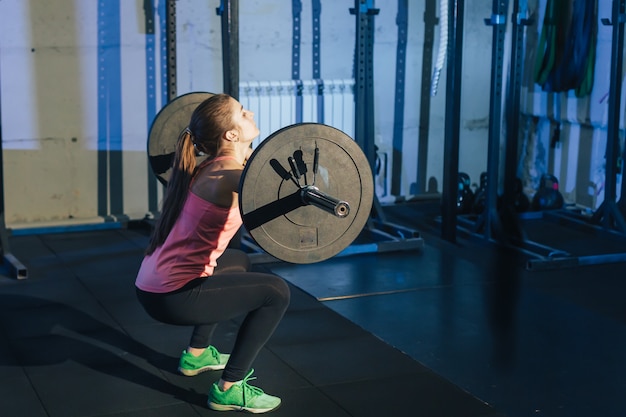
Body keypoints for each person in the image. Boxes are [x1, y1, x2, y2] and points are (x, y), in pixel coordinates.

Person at [135, 94, 291, 413]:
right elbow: (281, 200)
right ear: (231, 135)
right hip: (173, 297)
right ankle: (229, 388)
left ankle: (197, 355)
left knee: (238, 262)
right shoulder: (229, 178)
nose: (249, 112)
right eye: (241, 112)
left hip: (153, 286)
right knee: (277, 292)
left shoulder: (216, 165)